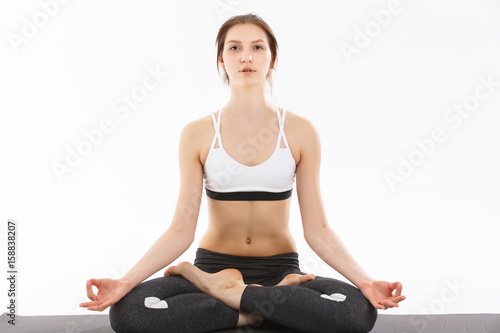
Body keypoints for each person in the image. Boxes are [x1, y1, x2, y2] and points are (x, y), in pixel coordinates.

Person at [79, 13, 406, 333]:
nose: (246, 56)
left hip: (280, 271)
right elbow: (181, 229)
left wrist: (365, 282)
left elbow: (317, 229)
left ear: (272, 58)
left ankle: (227, 296)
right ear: (221, 60)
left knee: (355, 313)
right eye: (234, 48)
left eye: (257, 47)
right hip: (212, 265)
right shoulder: (198, 133)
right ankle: (252, 308)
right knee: (129, 315)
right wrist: (124, 282)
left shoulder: (300, 132)